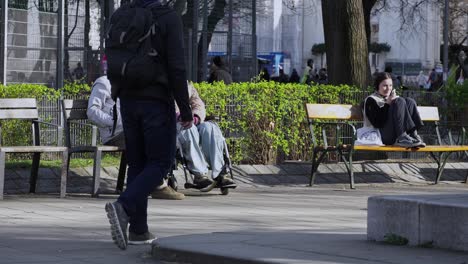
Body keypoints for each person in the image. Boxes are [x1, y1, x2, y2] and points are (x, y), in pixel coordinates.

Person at [104, 0, 193, 250]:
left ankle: (138, 230)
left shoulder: (122, 14)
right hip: (155, 100)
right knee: (161, 162)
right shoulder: (167, 17)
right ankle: (124, 205)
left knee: (138, 163)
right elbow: (177, 66)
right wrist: (184, 108)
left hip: (127, 100)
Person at [87, 75, 184, 200]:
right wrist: (113, 121)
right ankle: (157, 185)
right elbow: (92, 111)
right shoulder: (104, 83)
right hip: (115, 134)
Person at [176, 82, 236, 192]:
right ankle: (200, 176)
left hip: (191, 120)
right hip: (175, 125)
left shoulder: (187, 85)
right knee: (189, 129)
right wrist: (179, 116)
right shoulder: (158, 84)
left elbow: (198, 104)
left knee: (209, 128)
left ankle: (220, 174)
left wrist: (196, 117)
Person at [363, 72, 425, 148]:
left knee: (409, 101)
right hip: (379, 136)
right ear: (377, 86)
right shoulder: (371, 100)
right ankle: (402, 137)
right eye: (385, 86)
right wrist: (387, 104)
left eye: (390, 85)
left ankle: (413, 134)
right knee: (399, 101)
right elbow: (377, 123)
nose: (388, 88)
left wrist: (390, 102)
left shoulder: (390, 98)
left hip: (394, 133)